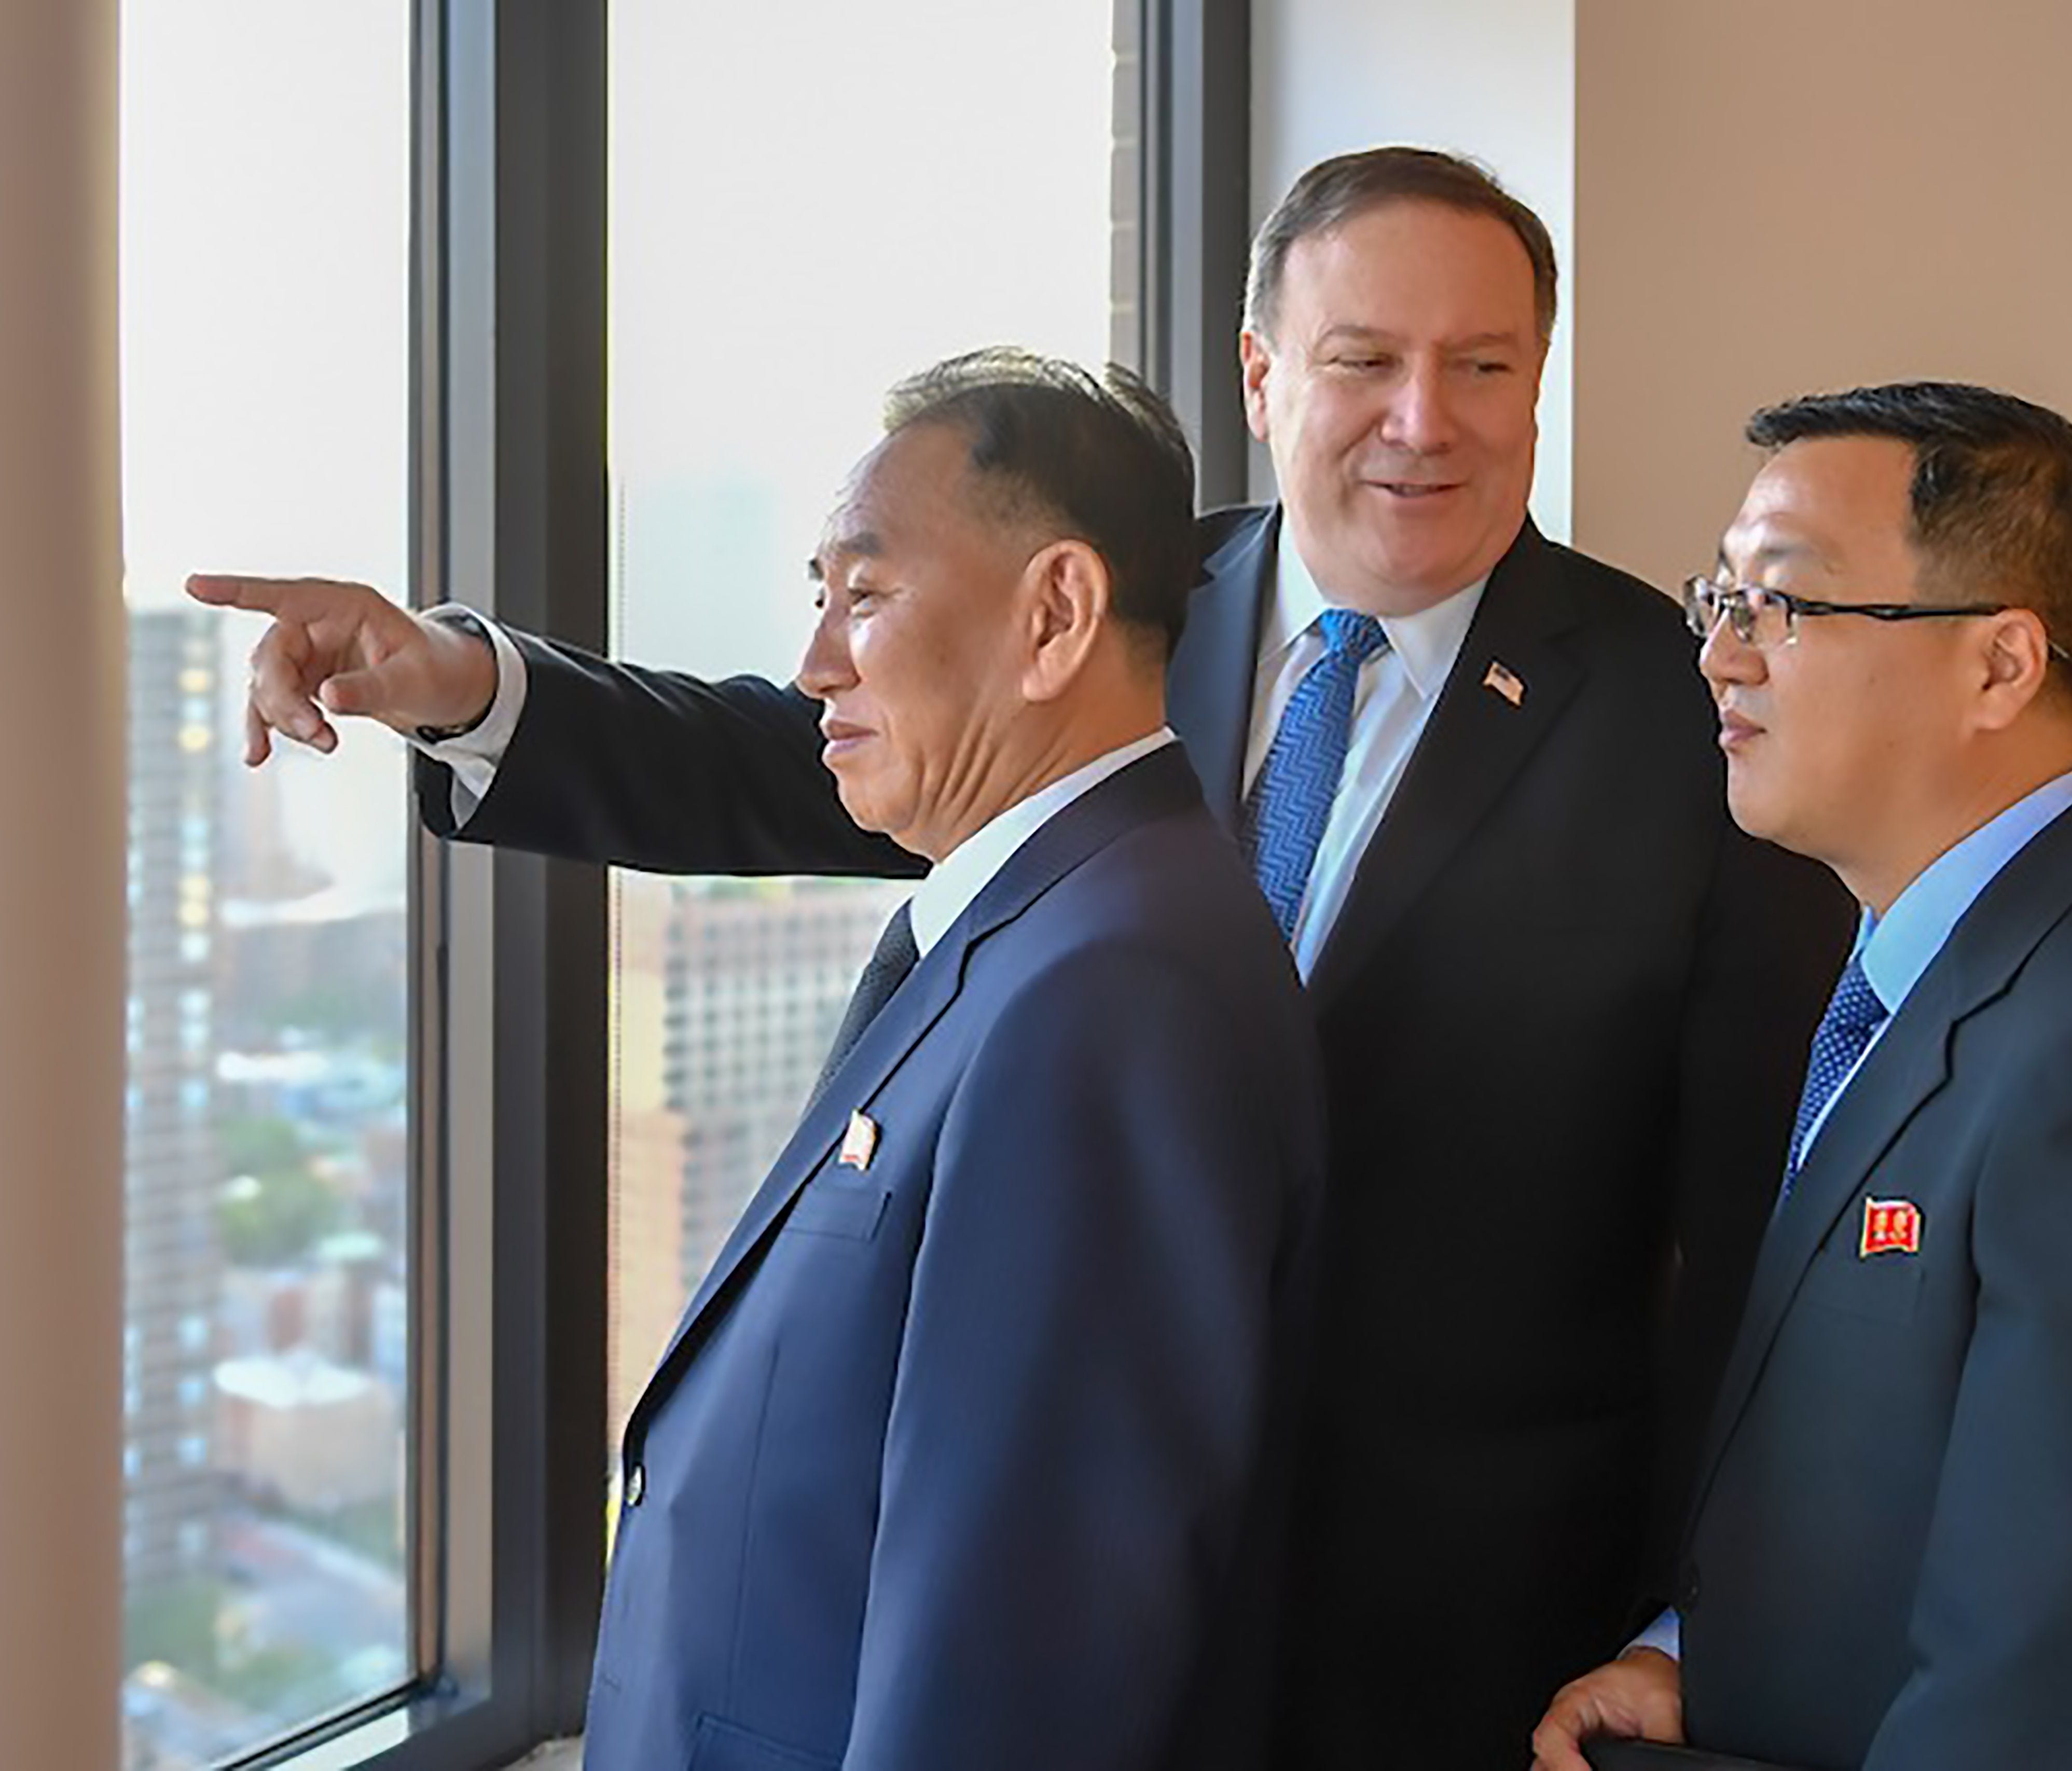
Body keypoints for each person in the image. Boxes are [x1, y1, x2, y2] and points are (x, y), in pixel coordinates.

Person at [196, 149, 1853, 1769]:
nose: (1424, 420)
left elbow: (1766, 1236)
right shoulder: (1116, 599)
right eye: (1365, 361)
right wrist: (464, 688)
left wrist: (1685, 1622)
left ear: (1537, 379)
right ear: (1263, 373)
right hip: (1059, 1565)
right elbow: (812, 750)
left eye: (1480, 366)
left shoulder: (1685, 716)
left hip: (1441, 1630)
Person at [195, 352, 1327, 1771]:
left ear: (1054, 615)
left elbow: (1015, 1662)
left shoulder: (1112, 994)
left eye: (864, 595)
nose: (815, 663)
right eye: (818, 597)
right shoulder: (1063, 925)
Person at [1531, 381, 2072, 1771]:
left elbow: (2028, 1662)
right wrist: (1691, 1657)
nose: (1719, 659)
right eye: (1719, 599)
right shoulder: (1903, 967)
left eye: (1783, 605)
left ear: (2000, 666)